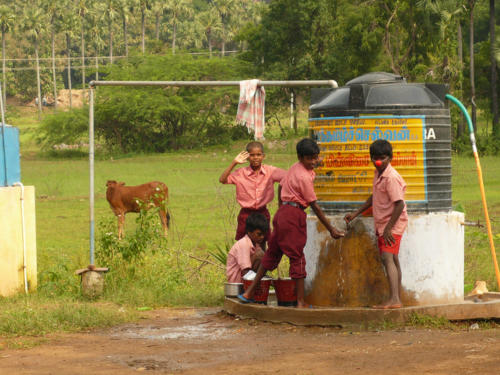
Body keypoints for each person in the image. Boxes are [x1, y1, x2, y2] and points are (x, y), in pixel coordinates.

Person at [239, 138, 345, 308]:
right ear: (300, 157)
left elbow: (281, 185)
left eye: (315, 157)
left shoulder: (295, 168)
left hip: (282, 214)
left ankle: (249, 292)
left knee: (272, 253)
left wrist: (282, 207)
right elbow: (315, 206)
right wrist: (331, 229)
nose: (313, 162)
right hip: (293, 216)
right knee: (297, 258)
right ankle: (301, 302)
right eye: (309, 158)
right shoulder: (303, 177)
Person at [344, 139, 408, 309]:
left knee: (387, 258)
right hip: (384, 224)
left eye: (383, 158)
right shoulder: (379, 174)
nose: (378, 161)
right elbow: (374, 198)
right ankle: (396, 298)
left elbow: (399, 204)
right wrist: (356, 213)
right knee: (392, 258)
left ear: (390, 158)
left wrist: (388, 229)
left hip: (391, 225)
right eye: (375, 158)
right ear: (371, 158)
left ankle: (395, 299)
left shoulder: (391, 177)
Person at [219, 141, 286, 243]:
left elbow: (289, 177)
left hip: (262, 213)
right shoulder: (241, 173)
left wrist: (281, 201)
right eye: (252, 155)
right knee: (243, 244)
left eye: (258, 155)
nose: (255, 158)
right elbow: (222, 180)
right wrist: (234, 163)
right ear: (247, 157)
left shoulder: (270, 171)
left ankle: (262, 259)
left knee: (264, 242)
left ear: (263, 156)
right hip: (246, 214)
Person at [226, 213, 268, 283]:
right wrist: (267, 281)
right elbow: (246, 273)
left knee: (262, 255)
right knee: (260, 255)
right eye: (259, 234)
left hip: (248, 278)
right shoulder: (243, 244)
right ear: (249, 232)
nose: (262, 237)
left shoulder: (256, 245)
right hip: (237, 283)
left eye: (264, 234)